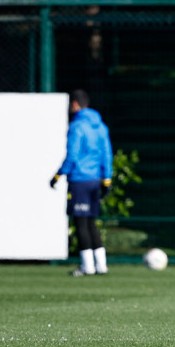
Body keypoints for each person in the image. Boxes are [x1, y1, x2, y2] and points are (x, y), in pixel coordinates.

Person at [50, 89, 114, 276]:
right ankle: (101, 265)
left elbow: (72, 156)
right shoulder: (101, 126)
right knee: (91, 222)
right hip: (95, 180)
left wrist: (58, 175)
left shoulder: (77, 127)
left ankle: (87, 266)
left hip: (79, 180)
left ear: (76, 104)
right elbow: (106, 154)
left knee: (80, 223)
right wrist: (107, 179)